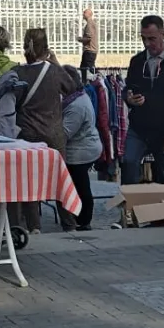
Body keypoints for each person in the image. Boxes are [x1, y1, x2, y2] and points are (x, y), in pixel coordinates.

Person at [6, 28, 78, 233]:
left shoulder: (17, 73)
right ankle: (69, 224)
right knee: (60, 179)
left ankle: (34, 226)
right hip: (53, 133)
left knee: (28, 180)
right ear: (46, 49)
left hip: (26, 133)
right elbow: (72, 88)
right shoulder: (54, 72)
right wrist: (55, 62)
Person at [122, 15, 164, 187]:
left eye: (151, 39)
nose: (147, 43)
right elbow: (128, 88)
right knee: (129, 163)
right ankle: (130, 202)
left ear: (163, 34)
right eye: (143, 38)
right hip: (139, 128)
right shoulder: (137, 61)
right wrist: (129, 98)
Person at [59, 65, 99, 231]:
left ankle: (83, 219)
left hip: (80, 150)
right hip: (84, 146)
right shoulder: (78, 97)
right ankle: (81, 217)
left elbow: (65, 133)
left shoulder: (76, 106)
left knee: (79, 184)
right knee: (80, 183)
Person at [78, 8, 98, 82]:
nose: (83, 14)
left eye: (84, 12)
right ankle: (84, 82)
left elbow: (89, 38)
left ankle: (100, 78)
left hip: (90, 50)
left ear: (89, 14)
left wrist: (80, 39)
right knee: (83, 68)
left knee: (90, 68)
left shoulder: (89, 24)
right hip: (90, 50)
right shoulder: (91, 23)